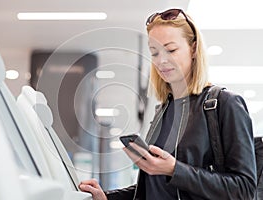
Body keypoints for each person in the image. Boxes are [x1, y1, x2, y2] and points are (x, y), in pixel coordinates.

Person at [79, 8, 257, 199]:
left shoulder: (224, 104)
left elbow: (244, 189)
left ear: (194, 49)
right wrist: (107, 197)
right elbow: (155, 189)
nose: (161, 60)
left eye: (171, 50)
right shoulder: (164, 110)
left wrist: (175, 170)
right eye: (154, 52)